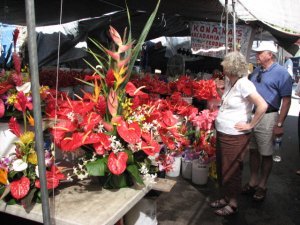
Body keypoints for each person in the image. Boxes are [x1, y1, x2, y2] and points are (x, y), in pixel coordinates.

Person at [210, 51, 267, 216]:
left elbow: (262, 105)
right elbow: (227, 103)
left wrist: (250, 125)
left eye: (225, 65)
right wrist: (218, 89)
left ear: (231, 67)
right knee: (223, 167)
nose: (222, 67)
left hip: (234, 136)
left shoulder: (244, 84)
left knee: (232, 169)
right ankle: (225, 197)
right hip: (223, 132)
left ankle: (233, 203)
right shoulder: (230, 82)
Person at [242, 41, 293, 201]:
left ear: (270, 55)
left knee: (266, 153)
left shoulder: (282, 73)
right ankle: (253, 181)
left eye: (260, 52)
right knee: (253, 151)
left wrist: (279, 124)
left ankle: (263, 185)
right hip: (254, 115)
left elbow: (286, 101)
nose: (257, 55)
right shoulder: (257, 71)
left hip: (269, 117)